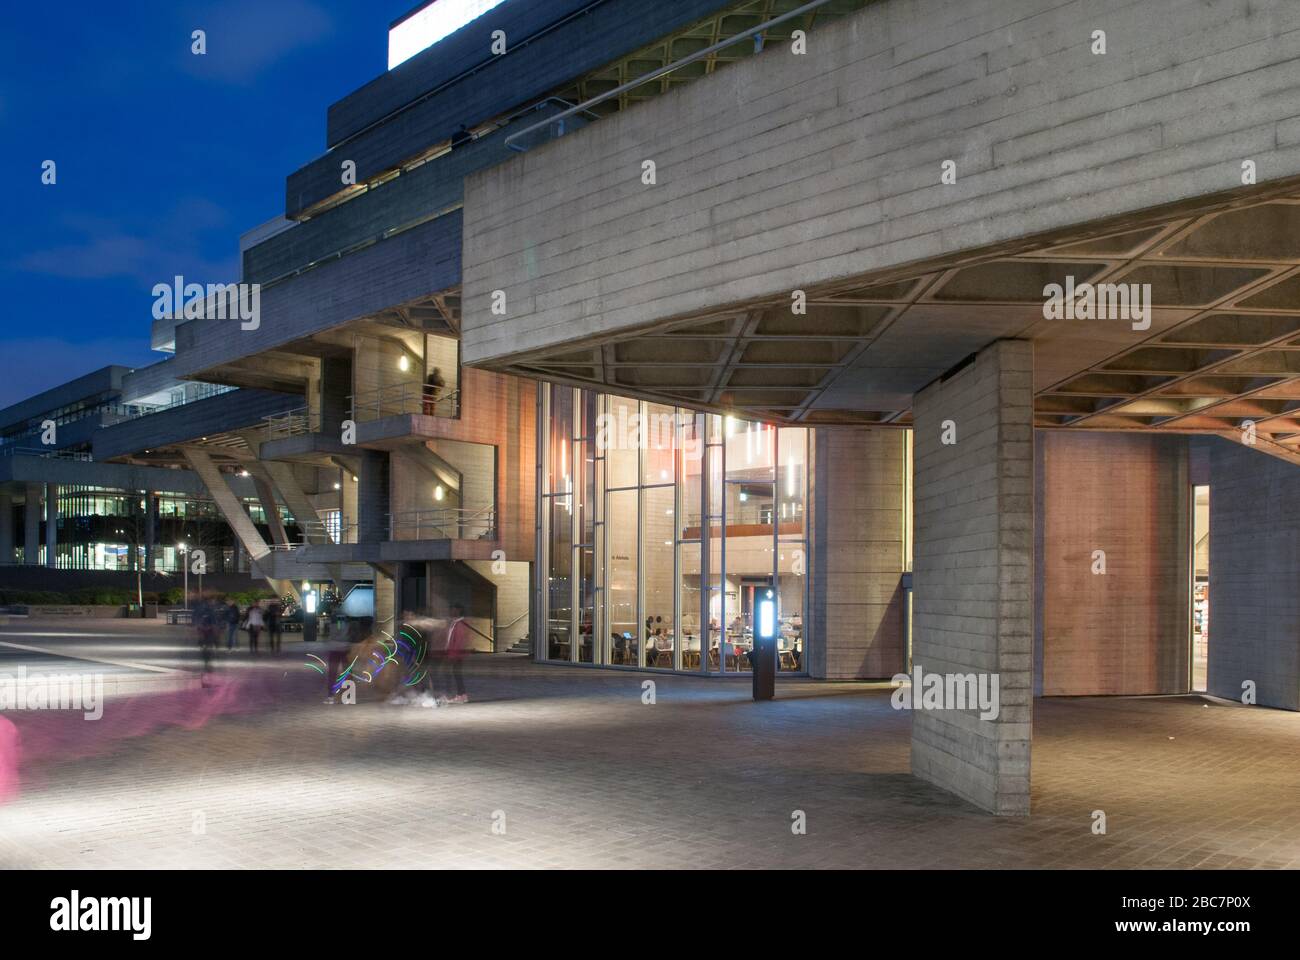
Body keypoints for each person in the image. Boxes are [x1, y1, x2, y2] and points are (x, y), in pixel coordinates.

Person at [432, 603, 470, 703]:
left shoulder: (460, 624)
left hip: (455, 655)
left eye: (452, 610)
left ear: (458, 611)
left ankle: (460, 695)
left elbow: (459, 641)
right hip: (453, 654)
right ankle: (461, 695)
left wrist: (452, 656)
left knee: (455, 674)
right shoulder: (455, 623)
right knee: (456, 674)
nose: (450, 612)